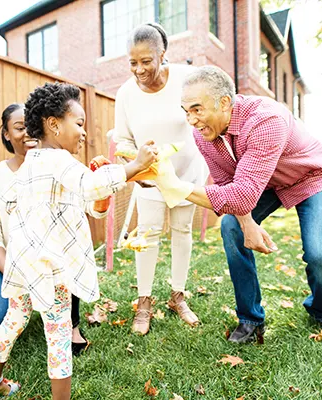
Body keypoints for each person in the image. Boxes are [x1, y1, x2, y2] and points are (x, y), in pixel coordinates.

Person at [0, 82, 158, 400]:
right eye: (80, 123)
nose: (84, 133)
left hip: (24, 265)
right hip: (49, 267)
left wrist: (97, 193)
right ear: (53, 124)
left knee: (13, 320)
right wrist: (136, 166)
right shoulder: (58, 161)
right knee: (59, 335)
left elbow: (83, 200)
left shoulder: (33, 163)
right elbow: (90, 186)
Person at [154, 65, 322, 343]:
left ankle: (321, 310)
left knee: (319, 255)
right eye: (186, 111)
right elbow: (227, 186)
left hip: (311, 177)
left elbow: (241, 195)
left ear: (224, 102)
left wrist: (177, 187)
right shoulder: (204, 133)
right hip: (264, 183)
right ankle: (250, 318)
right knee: (231, 226)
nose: (191, 120)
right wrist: (247, 223)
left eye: (197, 109)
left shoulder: (266, 120)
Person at [113, 22, 207, 335]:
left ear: (162, 54)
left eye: (146, 61)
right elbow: (123, 140)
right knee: (148, 236)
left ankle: (177, 296)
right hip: (149, 178)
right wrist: (136, 166)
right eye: (132, 63)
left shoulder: (184, 79)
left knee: (182, 230)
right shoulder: (125, 94)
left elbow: (202, 116)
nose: (139, 70)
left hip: (186, 174)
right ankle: (144, 302)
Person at [0, 103, 89, 355]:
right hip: (11, 262)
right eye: (19, 127)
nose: (27, 132)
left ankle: (71, 325)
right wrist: (21, 274)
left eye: (32, 125)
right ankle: (25, 307)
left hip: (55, 262)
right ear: (6, 133)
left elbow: (85, 209)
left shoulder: (61, 167)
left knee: (65, 260)